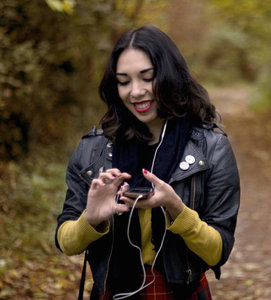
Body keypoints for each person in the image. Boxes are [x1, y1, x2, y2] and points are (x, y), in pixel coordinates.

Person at [55, 25, 240, 300]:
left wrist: (176, 207)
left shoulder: (212, 149)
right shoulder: (93, 149)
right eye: (124, 81)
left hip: (181, 292)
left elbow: (218, 251)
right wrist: (91, 219)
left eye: (147, 77)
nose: (136, 92)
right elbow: (65, 241)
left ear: (170, 75)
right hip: (112, 292)